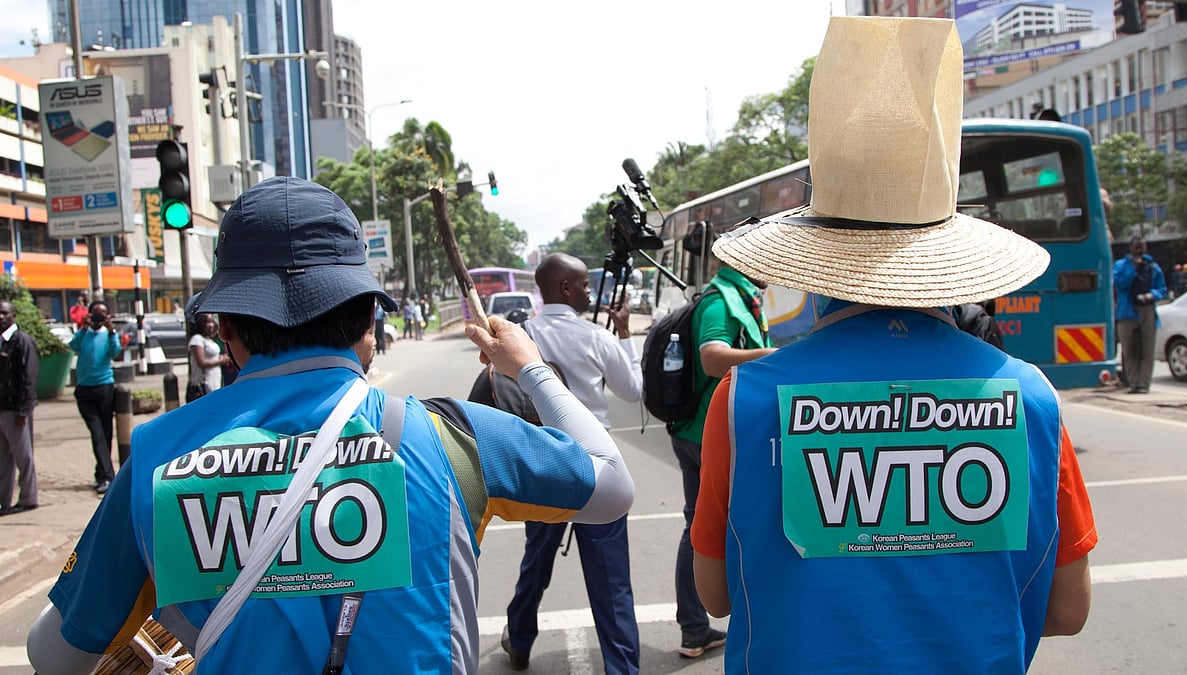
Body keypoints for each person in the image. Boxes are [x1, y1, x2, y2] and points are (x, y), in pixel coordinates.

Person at [27, 177, 634, 675]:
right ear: (370, 318)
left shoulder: (159, 455)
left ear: (227, 328)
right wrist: (528, 367)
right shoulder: (448, 439)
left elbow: (54, 656)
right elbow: (612, 486)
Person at [690, 17, 1096, 672]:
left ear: (817, 260)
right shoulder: (1030, 398)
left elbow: (715, 594)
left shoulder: (746, 399)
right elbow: (1067, 610)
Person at [498, 253, 642, 674]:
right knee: (611, 581)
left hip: (541, 461)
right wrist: (625, 334)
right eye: (581, 284)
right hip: (595, 466)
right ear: (563, 288)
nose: (587, 290)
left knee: (535, 562)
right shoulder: (596, 337)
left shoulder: (521, 336)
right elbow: (633, 391)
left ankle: (520, 640)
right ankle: (622, 669)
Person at [667, 260, 774, 659]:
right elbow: (713, 357)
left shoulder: (739, 296)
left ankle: (696, 627)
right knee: (701, 529)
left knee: (699, 525)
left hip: (709, 429)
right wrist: (776, 356)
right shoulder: (721, 302)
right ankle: (694, 627)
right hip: (705, 433)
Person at [68, 299, 122, 495]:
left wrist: (111, 331)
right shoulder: (84, 334)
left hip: (105, 389)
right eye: (95, 314)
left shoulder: (108, 335)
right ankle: (108, 476)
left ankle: (102, 473)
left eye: (103, 314)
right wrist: (83, 328)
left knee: (105, 434)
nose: (99, 318)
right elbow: (73, 346)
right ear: (89, 315)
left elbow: (116, 352)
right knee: (97, 433)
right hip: (84, 391)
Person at [1113, 235, 1167, 393]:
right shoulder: (1122, 265)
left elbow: (1162, 289)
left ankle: (1144, 384)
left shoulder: (1153, 267)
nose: (1139, 250)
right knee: (1129, 351)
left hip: (1147, 311)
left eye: (1141, 247)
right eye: (1136, 247)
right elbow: (1120, 285)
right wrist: (1133, 269)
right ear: (1131, 248)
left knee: (1147, 351)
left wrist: (1152, 295)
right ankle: (1133, 383)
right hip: (1127, 312)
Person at [0, 300, 39, 515]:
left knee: (23, 456)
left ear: (12, 315)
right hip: (2, 407)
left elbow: (29, 377)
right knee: (3, 458)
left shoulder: (22, 342)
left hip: (16, 410)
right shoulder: (2, 342)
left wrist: (23, 410)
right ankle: (3, 500)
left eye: (4, 313)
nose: (0, 317)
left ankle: (28, 497)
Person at [186, 313, 230, 402]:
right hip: (204, 384)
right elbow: (201, 362)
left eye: (212, 321)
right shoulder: (197, 339)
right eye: (207, 322)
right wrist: (222, 360)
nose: (211, 325)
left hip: (214, 381)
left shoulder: (209, 339)